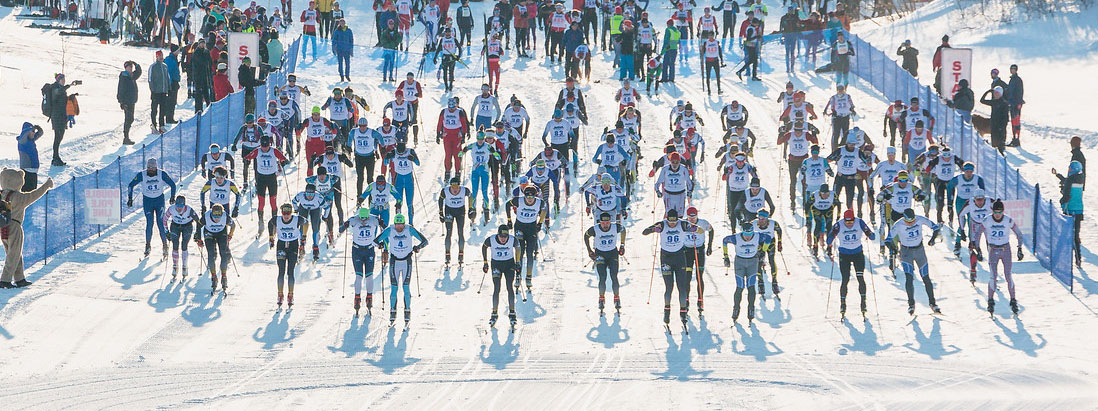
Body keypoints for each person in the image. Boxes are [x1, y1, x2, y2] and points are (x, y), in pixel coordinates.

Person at [0, 170, 54, 288]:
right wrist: (46, 185)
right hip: (14, 227)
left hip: (3, 227)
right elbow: (34, 195)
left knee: (15, 253)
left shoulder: (1, 194)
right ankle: (5, 280)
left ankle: (20, 279)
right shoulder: (18, 197)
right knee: (13, 254)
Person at [643, 209, 696, 327]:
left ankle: (683, 311)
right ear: (667, 219)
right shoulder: (662, 224)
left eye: (674, 221)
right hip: (666, 258)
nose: (672, 224)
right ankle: (667, 311)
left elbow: (698, 229)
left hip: (679, 258)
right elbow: (644, 232)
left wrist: (693, 228)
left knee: (681, 286)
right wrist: (654, 229)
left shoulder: (682, 223)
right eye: (670, 221)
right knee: (669, 286)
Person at [970, 200, 1024, 315]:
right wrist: (978, 249)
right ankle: (990, 300)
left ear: (1003, 211)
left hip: (1005, 250)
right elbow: (978, 233)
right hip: (993, 250)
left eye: (1000, 212)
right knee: (993, 276)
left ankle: (1013, 300)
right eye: (995, 212)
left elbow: (1018, 233)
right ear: (992, 211)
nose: (997, 214)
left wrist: (1019, 248)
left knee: (1008, 275)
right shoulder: (987, 220)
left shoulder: (1008, 220)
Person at [374, 213, 428, 325]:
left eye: (401, 225)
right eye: (397, 224)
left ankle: (407, 313)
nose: (399, 227)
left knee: (406, 288)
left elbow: (425, 241)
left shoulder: (409, 229)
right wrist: (380, 245)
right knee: (394, 289)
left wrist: (418, 247)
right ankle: (392, 314)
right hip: (394, 262)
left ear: (404, 224)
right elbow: (375, 241)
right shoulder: (390, 230)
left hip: (406, 262)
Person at [886, 208, 942, 315]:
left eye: (913, 221)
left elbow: (935, 227)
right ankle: (911, 304)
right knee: (909, 278)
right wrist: (893, 249)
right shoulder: (898, 224)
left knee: (926, 277)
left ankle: (933, 303)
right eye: (909, 222)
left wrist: (932, 239)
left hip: (919, 250)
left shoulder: (920, 219)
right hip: (906, 252)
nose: (911, 223)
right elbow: (888, 239)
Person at [826, 209, 876, 318]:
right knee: (845, 279)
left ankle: (863, 302)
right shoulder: (839, 225)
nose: (849, 224)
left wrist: (870, 234)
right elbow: (829, 240)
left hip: (857, 253)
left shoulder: (859, 222)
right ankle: (843, 304)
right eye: (847, 222)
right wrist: (831, 237)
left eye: (851, 222)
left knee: (860, 277)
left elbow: (871, 235)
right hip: (844, 255)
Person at [722, 221, 774, 322]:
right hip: (740, 263)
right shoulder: (736, 237)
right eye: (746, 234)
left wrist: (763, 251)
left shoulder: (757, 236)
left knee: (751, 287)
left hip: (752, 262)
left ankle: (751, 309)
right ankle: (736, 309)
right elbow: (725, 240)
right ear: (742, 232)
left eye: (750, 234)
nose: (748, 237)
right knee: (740, 287)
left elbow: (768, 239)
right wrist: (726, 256)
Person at [126, 159, 178, 259]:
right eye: (149, 168)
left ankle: (164, 245)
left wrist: (172, 197)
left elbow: (172, 184)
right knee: (149, 223)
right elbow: (131, 185)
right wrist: (130, 198)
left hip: (159, 201)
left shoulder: (161, 173)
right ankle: (148, 245)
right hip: (148, 201)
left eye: (153, 168)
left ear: (156, 167)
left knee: (160, 223)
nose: (151, 170)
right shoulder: (142, 174)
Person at [340, 207, 385, 315]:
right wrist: (344, 226)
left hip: (369, 250)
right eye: (361, 218)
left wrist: (381, 240)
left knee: (369, 276)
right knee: (359, 276)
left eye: (365, 218)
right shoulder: (354, 219)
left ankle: (369, 296)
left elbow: (384, 228)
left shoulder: (374, 219)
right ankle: (357, 297)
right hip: (357, 250)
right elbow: (341, 229)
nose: (363, 221)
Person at [244, 136, 290, 234]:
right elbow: (248, 156)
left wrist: (284, 161)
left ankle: (274, 224)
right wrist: (247, 160)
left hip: (271, 178)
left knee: (273, 202)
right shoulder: (258, 151)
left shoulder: (274, 151)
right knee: (261, 202)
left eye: (266, 146)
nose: (265, 148)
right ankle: (260, 223)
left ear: (270, 144)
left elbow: (283, 158)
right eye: (263, 146)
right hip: (261, 178)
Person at [584, 212, 627, 313]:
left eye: (607, 222)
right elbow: (586, 236)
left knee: (614, 276)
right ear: (600, 222)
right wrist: (589, 250)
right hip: (600, 254)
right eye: (603, 223)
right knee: (602, 277)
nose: (606, 225)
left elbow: (623, 230)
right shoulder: (595, 229)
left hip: (612, 254)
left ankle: (616, 297)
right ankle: (601, 298)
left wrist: (622, 245)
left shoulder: (615, 227)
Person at [505, 185, 548, 286]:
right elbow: (507, 205)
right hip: (520, 227)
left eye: (531, 197)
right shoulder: (518, 201)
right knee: (520, 251)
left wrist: (540, 223)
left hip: (531, 228)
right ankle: (518, 275)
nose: (529, 199)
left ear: (535, 196)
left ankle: (528, 277)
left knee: (530, 253)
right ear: (524, 196)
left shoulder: (539, 202)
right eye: (527, 197)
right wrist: (509, 220)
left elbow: (545, 209)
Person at [268, 203, 307, 307]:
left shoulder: (297, 219)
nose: (286, 216)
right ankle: (280, 294)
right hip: (281, 245)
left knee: (290, 272)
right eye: (284, 213)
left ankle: (290, 295)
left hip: (293, 246)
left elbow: (306, 223)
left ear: (291, 213)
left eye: (288, 213)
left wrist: (303, 238)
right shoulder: (277, 219)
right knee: (281, 271)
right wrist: (271, 237)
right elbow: (270, 223)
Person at [482, 224, 521, 327]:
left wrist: (518, 263)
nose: (503, 239)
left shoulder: (513, 240)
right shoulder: (491, 240)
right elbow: (484, 247)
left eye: (505, 237)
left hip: (509, 265)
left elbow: (518, 248)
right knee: (497, 288)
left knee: (509, 287)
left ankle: (512, 312)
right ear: (498, 234)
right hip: (496, 265)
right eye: (501, 236)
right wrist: (485, 262)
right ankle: (494, 313)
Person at [196, 203, 236, 293]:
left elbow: (233, 225)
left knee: (223, 253)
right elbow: (199, 225)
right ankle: (214, 276)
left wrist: (230, 235)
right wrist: (199, 239)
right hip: (209, 233)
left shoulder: (225, 216)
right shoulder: (206, 216)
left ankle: (224, 276)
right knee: (211, 254)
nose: (217, 218)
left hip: (221, 233)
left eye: (219, 216)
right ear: (211, 213)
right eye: (214, 215)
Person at [44, 73, 80, 166]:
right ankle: (55, 158)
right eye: (62, 79)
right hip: (57, 117)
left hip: (61, 116)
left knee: (59, 137)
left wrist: (70, 97)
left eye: (64, 79)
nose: (64, 81)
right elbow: (58, 93)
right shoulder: (55, 88)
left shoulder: (60, 89)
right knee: (58, 137)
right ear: (58, 80)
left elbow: (62, 100)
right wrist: (70, 85)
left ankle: (56, 157)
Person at [162, 195, 201, 279]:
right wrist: (166, 232)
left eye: (181, 206)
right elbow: (164, 220)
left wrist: (197, 233)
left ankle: (184, 266)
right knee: (175, 245)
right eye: (178, 206)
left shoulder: (189, 210)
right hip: (175, 226)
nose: (179, 208)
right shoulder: (171, 209)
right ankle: (175, 266)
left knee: (184, 245)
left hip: (187, 226)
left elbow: (198, 221)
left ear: (184, 205)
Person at [683, 206, 713, 312]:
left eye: (694, 217)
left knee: (700, 276)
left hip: (699, 250)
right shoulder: (683, 223)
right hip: (687, 251)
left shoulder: (703, 223)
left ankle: (700, 300)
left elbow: (711, 230)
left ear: (697, 216)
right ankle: (686, 300)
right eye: (690, 217)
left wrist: (709, 246)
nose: (692, 219)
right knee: (687, 276)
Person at [1058, 160, 1085, 267]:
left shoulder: (1069, 180)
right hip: (1079, 210)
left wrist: (1062, 199)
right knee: (1076, 235)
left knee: (1064, 234)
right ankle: (1078, 257)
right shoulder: (1081, 179)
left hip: (1069, 209)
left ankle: (1061, 256)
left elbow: (1065, 196)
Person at [115, 61, 142, 146]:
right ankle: (126, 137)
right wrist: (122, 102)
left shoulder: (132, 76)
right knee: (128, 119)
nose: (131, 68)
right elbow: (120, 90)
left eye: (131, 67)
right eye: (129, 67)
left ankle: (126, 137)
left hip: (132, 101)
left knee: (130, 119)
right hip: (127, 102)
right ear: (126, 68)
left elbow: (139, 72)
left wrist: (136, 64)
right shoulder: (124, 77)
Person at [824, 84, 856, 148]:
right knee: (836, 134)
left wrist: (852, 109)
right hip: (837, 117)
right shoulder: (834, 97)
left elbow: (851, 104)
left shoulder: (847, 96)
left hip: (845, 117)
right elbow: (830, 106)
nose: (840, 91)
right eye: (839, 90)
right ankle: (834, 149)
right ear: (837, 90)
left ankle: (844, 147)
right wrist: (832, 111)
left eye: (842, 90)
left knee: (845, 133)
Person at [980, 86, 1010, 154]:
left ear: (1000, 94)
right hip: (994, 127)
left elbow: (1005, 118)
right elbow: (982, 101)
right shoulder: (994, 102)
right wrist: (988, 92)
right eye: (994, 93)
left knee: (1000, 148)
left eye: (997, 93)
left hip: (1000, 129)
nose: (995, 94)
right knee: (994, 147)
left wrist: (1001, 128)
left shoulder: (1004, 103)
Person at [15, 123, 44, 192]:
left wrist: (38, 129)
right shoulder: (23, 141)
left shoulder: (31, 140)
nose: (34, 133)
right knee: (27, 194)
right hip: (27, 171)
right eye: (32, 131)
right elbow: (24, 133)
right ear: (27, 132)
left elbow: (40, 133)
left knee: (33, 193)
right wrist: (31, 128)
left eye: (34, 131)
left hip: (33, 171)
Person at [148, 51, 171, 133]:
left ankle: (162, 125)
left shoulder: (165, 66)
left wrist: (169, 89)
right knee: (154, 109)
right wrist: (152, 90)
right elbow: (150, 79)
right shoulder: (153, 67)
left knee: (163, 109)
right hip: (156, 92)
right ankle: (154, 125)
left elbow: (167, 78)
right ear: (156, 57)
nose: (161, 57)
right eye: (159, 56)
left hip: (163, 91)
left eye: (162, 55)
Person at [1006, 64, 1025, 147]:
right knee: (1013, 121)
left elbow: (1020, 92)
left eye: (1013, 69)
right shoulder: (1012, 80)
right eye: (1011, 69)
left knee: (1016, 121)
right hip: (1012, 103)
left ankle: (1017, 139)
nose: (1012, 70)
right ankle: (1014, 138)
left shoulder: (1017, 80)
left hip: (1016, 103)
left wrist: (1019, 103)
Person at [164, 45, 181, 124]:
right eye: (178, 50)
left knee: (173, 101)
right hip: (172, 83)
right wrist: (170, 85)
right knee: (171, 101)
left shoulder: (173, 59)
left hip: (174, 82)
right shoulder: (170, 60)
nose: (179, 52)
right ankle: (169, 118)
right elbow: (169, 73)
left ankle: (170, 117)